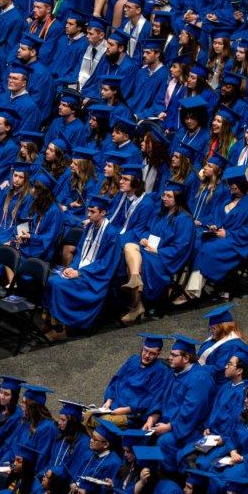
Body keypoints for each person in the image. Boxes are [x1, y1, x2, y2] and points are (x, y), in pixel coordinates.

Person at [44, 195, 121, 340]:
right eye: (89, 211)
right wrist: (72, 267)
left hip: (96, 278)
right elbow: (79, 252)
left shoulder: (112, 234)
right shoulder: (90, 227)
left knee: (57, 284)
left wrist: (80, 272)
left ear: (103, 213)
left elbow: (105, 264)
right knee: (51, 280)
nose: (89, 215)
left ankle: (63, 328)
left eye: (93, 212)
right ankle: (52, 323)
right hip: (82, 270)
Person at [185, 165, 248, 300]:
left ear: (243, 184)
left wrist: (227, 234)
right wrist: (214, 226)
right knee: (197, 242)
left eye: (234, 188)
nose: (231, 190)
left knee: (209, 249)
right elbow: (218, 215)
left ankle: (193, 291)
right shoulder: (231, 197)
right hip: (222, 236)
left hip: (240, 243)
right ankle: (189, 284)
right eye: (230, 187)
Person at [121, 181, 196, 321]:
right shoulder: (160, 214)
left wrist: (157, 251)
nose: (164, 198)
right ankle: (136, 284)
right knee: (129, 247)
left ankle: (137, 304)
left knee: (133, 258)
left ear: (178, 198)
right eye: (163, 195)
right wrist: (144, 238)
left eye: (169, 196)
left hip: (167, 258)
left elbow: (181, 247)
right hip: (150, 250)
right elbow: (147, 230)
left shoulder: (185, 220)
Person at [142, 335, 215, 474]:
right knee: (142, 435)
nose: (169, 358)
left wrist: (169, 427)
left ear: (186, 358)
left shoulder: (199, 379)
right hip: (169, 422)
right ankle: (147, 474)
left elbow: (192, 412)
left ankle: (170, 477)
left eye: (173, 355)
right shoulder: (176, 372)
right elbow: (161, 397)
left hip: (192, 429)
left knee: (164, 442)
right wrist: (152, 418)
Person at [84, 333, 169, 432]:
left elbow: (151, 398)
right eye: (146, 350)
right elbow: (117, 379)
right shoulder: (133, 360)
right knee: (85, 415)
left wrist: (126, 410)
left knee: (96, 421)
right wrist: (109, 400)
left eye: (152, 353)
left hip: (132, 414)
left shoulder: (161, 371)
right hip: (113, 406)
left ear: (159, 354)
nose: (147, 355)